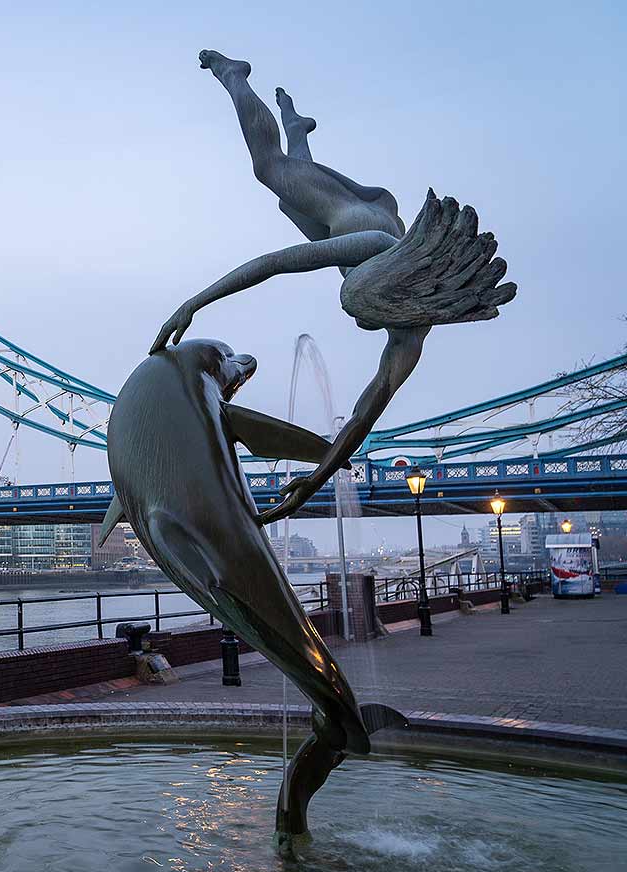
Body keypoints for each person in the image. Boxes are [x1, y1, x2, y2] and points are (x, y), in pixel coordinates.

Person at [154, 51, 515, 523]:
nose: (358, 320)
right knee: (269, 168)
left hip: (353, 223)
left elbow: (364, 415)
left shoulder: (411, 332)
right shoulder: (369, 244)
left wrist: (315, 479)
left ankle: (297, 129)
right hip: (352, 213)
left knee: (294, 198)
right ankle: (234, 75)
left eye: (362, 314)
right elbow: (273, 264)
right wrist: (194, 303)